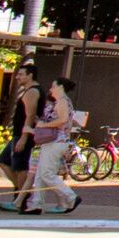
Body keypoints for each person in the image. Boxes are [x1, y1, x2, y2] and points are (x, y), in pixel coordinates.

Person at [16, 80, 83, 216]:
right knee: (40, 174)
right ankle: (36, 204)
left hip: (56, 142)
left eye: (53, 86)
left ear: (61, 87)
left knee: (46, 173)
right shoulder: (61, 102)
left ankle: (70, 196)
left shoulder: (63, 101)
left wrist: (42, 125)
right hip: (53, 142)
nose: (51, 89)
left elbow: (63, 119)